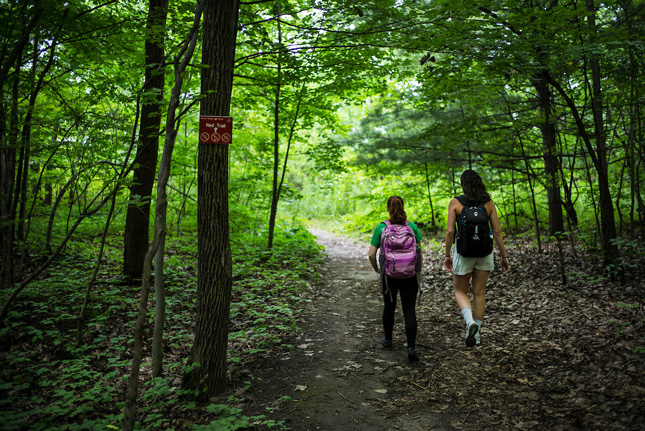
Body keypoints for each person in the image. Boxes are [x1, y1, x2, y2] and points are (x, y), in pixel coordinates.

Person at [444, 170, 510, 347]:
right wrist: (504, 256)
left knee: (460, 291)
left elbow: (450, 231)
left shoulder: (455, 203)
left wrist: (447, 255)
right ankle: (477, 334)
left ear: (463, 184)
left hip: (464, 252)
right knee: (479, 293)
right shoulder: (488, 203)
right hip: (484, 252)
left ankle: (469, 322)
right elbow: (496, 232)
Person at [368, 196, 423, 362]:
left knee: (389, 307)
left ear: (387, 208)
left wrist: (378, 270)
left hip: (389, 275)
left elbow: (371, 254)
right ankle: (411, 346)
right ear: (403, 207)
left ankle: (388, 340)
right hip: (410, 275)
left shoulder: (381, 228)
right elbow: (419, 252)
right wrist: (417, 271)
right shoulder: (412, 227)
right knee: (409, 310)